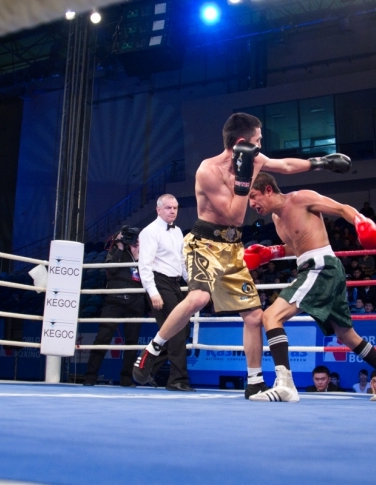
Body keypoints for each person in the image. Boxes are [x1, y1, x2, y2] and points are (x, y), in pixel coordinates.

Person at [133, 112, 351, 399]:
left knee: (253, 316)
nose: (260, 146)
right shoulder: (207, 171)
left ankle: (255, 382)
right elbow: (236, 215)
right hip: (204, 242)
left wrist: (320, 163)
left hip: (232, 249)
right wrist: (245, 175)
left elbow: (284, 165)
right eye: (257, 140)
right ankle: (154, 348)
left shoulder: (255, 159)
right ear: (241, 143)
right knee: (199, 298)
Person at [244, 172, 376, 402]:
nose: (251, 204)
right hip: (315, 269)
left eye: (253, 196)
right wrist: (271, 252)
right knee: (346, 335)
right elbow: (295, 246)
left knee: (271, 316)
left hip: (321, 266)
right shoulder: (277, 220)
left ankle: (285, 385)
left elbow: (342, 209)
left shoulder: (301, 199)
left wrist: (360, 221)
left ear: (268, 190)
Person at [138, 195, 195, 392]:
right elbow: (144, 265)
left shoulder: (178, 231)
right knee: (177, 331)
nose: (172, 211)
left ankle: (147, 367)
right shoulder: (149, 232)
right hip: (158, 282)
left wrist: (191, 282)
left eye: (175, 208)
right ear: (158, 210)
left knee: (182, 330)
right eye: (169, 208)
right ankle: (177, 380)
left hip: (175, 283)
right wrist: (152, 292)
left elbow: (181, 260)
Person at [83, 226, 145, 387]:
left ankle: (126, 379)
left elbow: (148, 277)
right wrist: (119, 247)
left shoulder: (143, 255)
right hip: (114, 300)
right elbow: (112, 270)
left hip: (135, 301)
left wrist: (138, 256)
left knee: (132, 342)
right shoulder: (115, 252)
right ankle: (90, 377)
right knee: (102, 338)